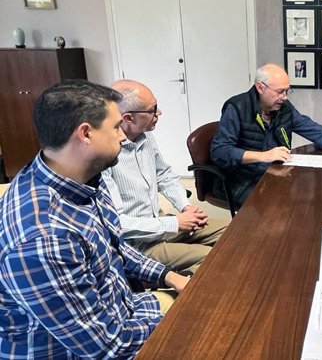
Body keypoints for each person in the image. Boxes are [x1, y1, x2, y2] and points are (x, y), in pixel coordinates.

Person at [0, 79, 190, 358]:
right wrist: (180, 322)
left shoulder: (80, 176)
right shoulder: (44, 238)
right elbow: (106, 347)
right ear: (86, 134)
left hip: (123, 311)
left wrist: (168, 275)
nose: (123, 137)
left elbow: (115, 246)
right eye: (115, 128)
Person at [102, 80, 229, 275]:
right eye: (152, 110)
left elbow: (164, 175)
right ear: (128, 117)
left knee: (232, 233)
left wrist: (185, 207)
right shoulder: (105, 156)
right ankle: (176, 293)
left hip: (161, 224)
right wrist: (175, 223)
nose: (158, 113)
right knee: (212, 258)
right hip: (138, 244)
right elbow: (118, 223)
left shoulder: (145, 137)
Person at [210, 64, 322, 210]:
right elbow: (220, 151)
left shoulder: (283, 107)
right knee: (285, 205)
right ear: (260, 87)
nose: (284, 97)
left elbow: (308, 126)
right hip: (241, 180)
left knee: (310, 196)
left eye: (287, 91)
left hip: (274, 172)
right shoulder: (236, 108)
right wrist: (264, 156)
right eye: (279, 92)